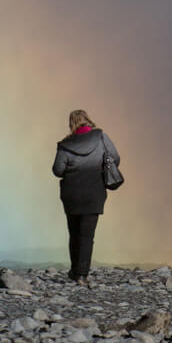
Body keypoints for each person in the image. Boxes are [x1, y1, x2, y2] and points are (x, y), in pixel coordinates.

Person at [52, 108, 120, 284]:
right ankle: (82, 275)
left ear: (71, 124)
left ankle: (75, 272)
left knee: (74, 234)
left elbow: (58, 170)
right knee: (87, 236)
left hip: (72, 195)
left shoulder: (66, 145)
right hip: (94, 194)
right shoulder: (102, 138)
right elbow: (116, 158)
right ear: (88, 120)